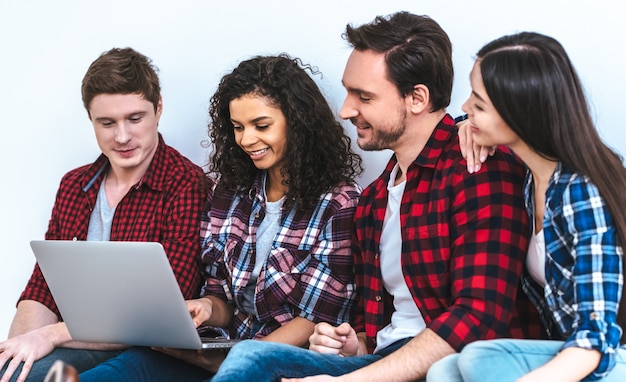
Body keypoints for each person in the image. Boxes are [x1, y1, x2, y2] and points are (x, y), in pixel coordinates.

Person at [209, 11, 544, 382]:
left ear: (417, 98)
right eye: (349, 91)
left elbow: (478, 317)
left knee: (256, 359)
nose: (345, 110)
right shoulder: (373, 201)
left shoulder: (477, 167)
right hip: (382, 362)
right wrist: (350, 343)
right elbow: (377, 329)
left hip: (450, 367)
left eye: (363, 96)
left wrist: (351, 379)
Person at [67, 54, 363, 381]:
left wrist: (237, 361)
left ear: (298, 121)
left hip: (282, 364)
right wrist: (207, 308)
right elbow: (222, 297)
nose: (247, 140)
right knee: (124, 368)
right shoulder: (230, 193)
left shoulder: (338, 203)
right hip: (222, 351)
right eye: (238, 127)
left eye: (261, 125)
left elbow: (315, 319)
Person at [427, 32, 626, 382]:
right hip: (566, 348)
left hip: (604, 355)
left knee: (475, 360)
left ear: (519, 115)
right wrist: (466, 126)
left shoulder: (581, 192)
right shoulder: (531, 178)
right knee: (447, 368)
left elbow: (596, 336)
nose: (464, 107)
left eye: (478, 102)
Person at [0, 47, 208, 382]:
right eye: (107, 123)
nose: (122, 136)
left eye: (135, 118)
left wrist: (50, 336)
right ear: (91, 120)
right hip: (77, 342)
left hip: (152, 353)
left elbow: (162, 310)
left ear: (158, 109)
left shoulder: (186, 184)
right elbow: (43, 288)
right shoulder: (74, 185)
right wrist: (18, 349)